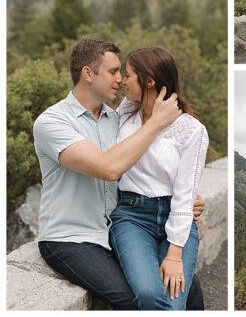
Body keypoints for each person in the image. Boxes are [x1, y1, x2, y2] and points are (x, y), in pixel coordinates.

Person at [32, 39, 204, 310]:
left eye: (123, 73)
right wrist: (158, 121)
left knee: (191, 287)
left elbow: (143, 165)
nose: (120, 79)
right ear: (88, 74)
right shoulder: (52, 122)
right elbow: (109, 168)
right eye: (113, 71)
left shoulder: (118, 119)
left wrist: (183, 195)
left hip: (112, 231)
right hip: (72, 238)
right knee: (138, 299)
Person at [109, 46, 208, 310]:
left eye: (129, 74)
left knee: (173, 303)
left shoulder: (192, 129)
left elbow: (185, 194)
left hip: (175, 220)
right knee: (149, 294)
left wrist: (174, 255)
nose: (122, 80)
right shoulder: (124, 113)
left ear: (149, 81)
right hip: (132, 217)